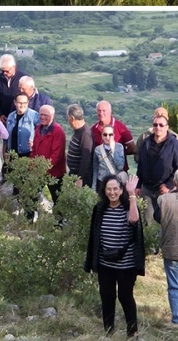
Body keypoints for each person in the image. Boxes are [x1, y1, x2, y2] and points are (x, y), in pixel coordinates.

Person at [84, 175, 144, 337]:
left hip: (126, 264)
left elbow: (134, 219)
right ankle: (108, 332)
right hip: (105, 263)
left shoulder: (128, 207)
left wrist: (132, 195)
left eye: (115, 189)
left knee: (125, 297)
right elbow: (94, 237)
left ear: (121, 190)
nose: (112, 192)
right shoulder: (100, 208)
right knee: (107, 297)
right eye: (109, 189)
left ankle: (133, 333)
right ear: (104, 191)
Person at [136, 110, 178, 224]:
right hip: (147, 190)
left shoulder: (174, 144)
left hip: (164, 191)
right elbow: (141, 165)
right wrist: (138, 185)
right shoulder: (146, 142)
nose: (158, 127)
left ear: (167, 127)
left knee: (165, 222)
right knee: (147, 223)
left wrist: (169, 185)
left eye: (161, 125)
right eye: (155, 124)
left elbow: (177, 168)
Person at [154, 171, 178, 325]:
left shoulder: (163, 200)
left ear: (174, 182)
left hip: (172, 249)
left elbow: (157, 217)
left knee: (174, 287)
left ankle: (176, 319)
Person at [32, 105, 67, 205]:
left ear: (52, 116)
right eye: (41, 114)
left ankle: (59, 221)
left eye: (45, 115)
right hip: (38, 171)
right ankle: (29, 220)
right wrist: (32, 166)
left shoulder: (58, 131)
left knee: (58, 200)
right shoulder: (38, 128)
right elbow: (34, 149)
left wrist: (42, 169)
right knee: (31, 196)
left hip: (55, 173)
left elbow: (56, 155)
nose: (42, 117)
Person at [66, 103, 95, 189]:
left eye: (68, 119)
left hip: (82, 177)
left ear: (72, 119)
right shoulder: (77, 131)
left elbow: (86, 158)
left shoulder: (85, 134)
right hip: (74, 174)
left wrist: (80, 178)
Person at [93, 124, 127, 195]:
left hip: (116, 182)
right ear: (102, 136)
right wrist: (94, 187)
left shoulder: (119, 147)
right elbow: (95, 169)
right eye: (105, 135)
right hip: (102, 182)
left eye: (110, 134)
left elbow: (120, 166)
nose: (108, 137)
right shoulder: (97, 150)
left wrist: (113, 151)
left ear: (114, 135)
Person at [0, 54, 26, 120]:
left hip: (19, 116)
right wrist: (0, 114)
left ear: (14, 67)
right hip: (3, 117)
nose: (4, 73)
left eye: (7, 71)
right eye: (2, 71)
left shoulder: (23, 78)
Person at [6, 94, 38, 159]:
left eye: (25, 103)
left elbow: (41, 132)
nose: (22, 105)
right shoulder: (10, 116)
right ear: (15, 103)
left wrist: (35, 142)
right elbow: (6, 137)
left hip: (28, 155)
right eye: (20, 103)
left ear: (28, 103)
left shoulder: (34, 115)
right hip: (12, 155)